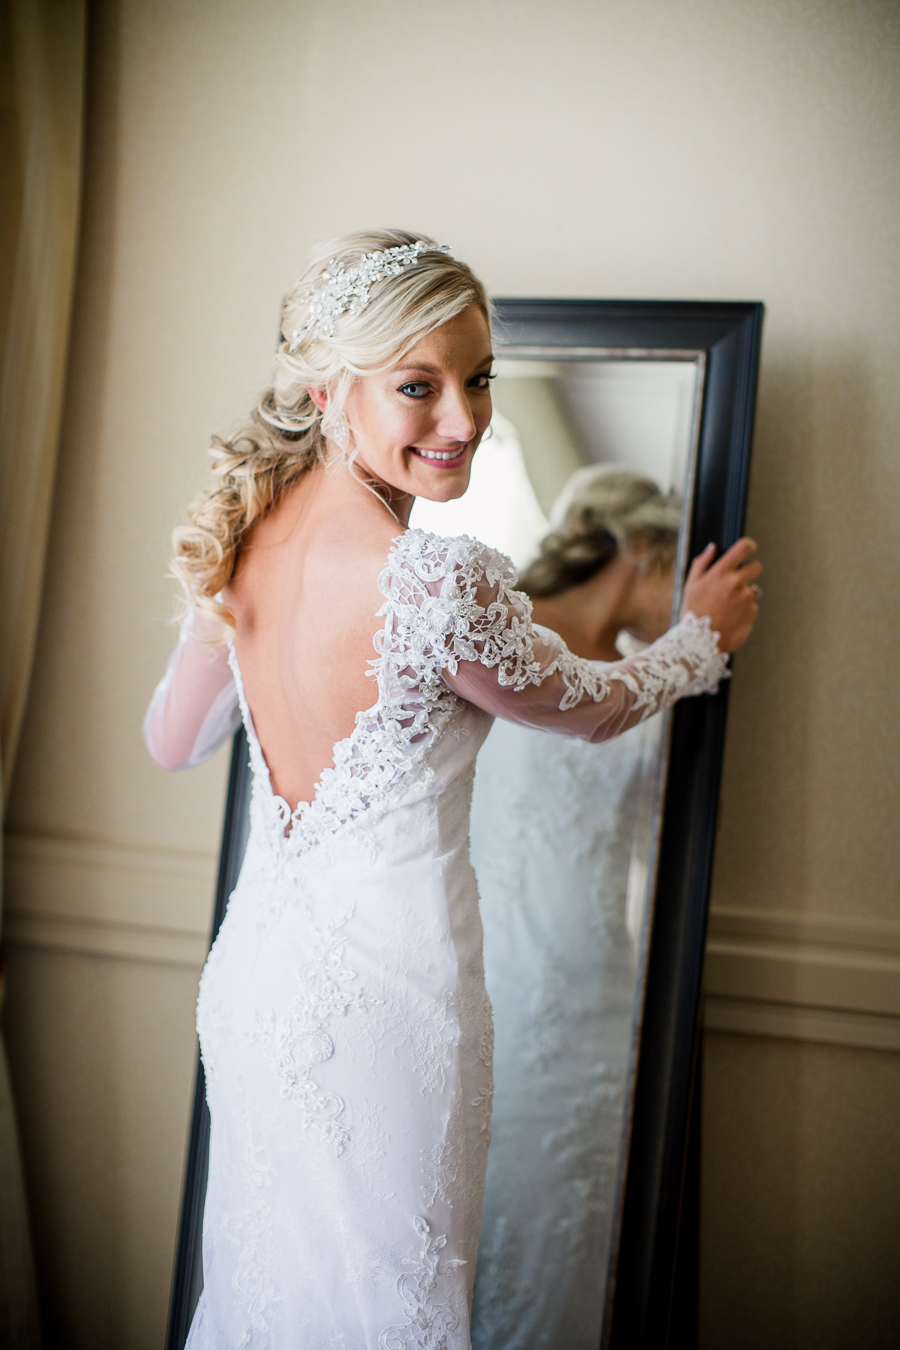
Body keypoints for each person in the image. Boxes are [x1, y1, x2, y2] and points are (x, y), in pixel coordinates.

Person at [143, 230, 761, 1349]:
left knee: (268, 1287)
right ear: (332, 394)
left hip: (257, 985)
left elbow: (172, 740)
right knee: (392, 1307)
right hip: (391, 1005)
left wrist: (232, 621)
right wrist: (698, 641)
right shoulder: (431, 578)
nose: (465, 419)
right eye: (419, 387)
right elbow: (591, 707)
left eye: (479, 378)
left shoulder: (243, 549)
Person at [469, 467, 685, 1350]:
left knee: (570, 1253)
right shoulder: (501, 637)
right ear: (640, 549)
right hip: (495, 987)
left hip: (602, 1006)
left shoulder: (649, 676)